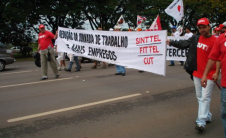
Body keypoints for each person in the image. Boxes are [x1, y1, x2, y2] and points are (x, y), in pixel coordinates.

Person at [166, 18, 220, 132]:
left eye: (204, 27)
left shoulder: (216, 40)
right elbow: (183, 44)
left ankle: (201, 122)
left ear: (209, 27)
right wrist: (170, 42)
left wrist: (216, 72)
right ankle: (207, 115)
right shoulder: (196, 38)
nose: (202, 30)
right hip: (196, 73)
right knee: (200, 97)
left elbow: (219, 58)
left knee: (205, 98)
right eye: (200, 28)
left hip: (209, 74)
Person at [201, 32, 226, 137]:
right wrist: (205, 75)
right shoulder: (221, 38)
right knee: (225, 113)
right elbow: (213, 57)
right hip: (225, 84)